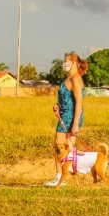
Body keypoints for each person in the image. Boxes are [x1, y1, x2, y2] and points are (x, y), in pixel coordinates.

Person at [44, 52, 88, 187]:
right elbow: (68, 99)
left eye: (66, 61)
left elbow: (79, 102)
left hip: (70, 116)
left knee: (59, 146)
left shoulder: (75, 78)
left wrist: (75, 124)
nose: (64, 64)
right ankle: (62, 176)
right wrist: (58, 105)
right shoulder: (70, 78)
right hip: (65, 114)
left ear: (73, 63)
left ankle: (59, 176)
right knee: (66, 147)